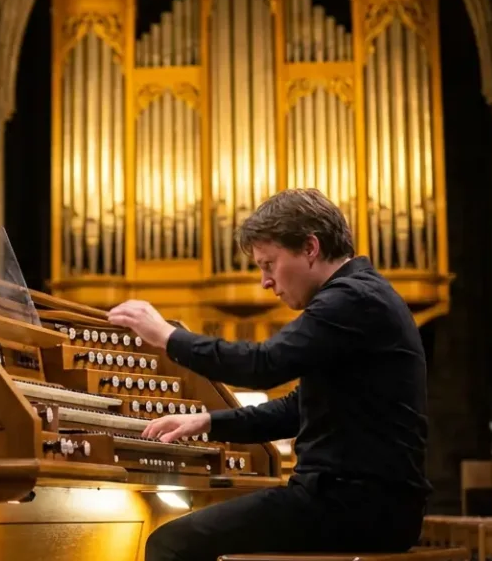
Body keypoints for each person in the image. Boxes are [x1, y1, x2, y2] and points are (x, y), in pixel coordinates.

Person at [107, 188, 431, 561]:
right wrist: (208, 421)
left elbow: (263, 365)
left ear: (310, 247)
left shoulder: (352, 299)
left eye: (268, 264)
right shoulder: (360, 296)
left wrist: (168, 337)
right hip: (372, 504)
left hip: (352, 505)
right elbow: (298, 410)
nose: (265, 281)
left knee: (170, 543)